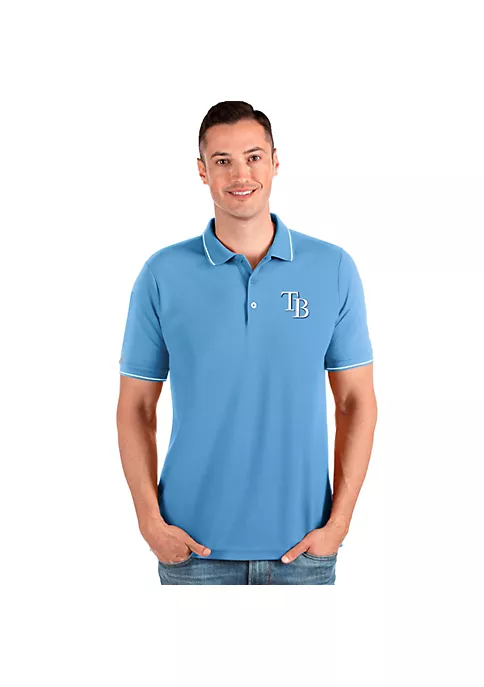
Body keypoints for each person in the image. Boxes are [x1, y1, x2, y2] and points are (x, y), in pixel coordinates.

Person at [116, 101, 378, 585]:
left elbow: (355, 401)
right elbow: (136, 407)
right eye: (223, 161)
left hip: (303, 551)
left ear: (275, 162)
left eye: (253, 157)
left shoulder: (333, 268)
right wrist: (150, 523)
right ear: (202, 171)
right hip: (191, 551)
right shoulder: (162, 274)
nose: (241, 174)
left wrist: (338, 525)